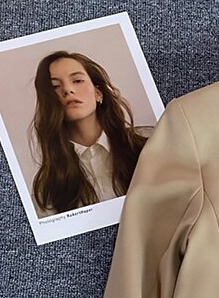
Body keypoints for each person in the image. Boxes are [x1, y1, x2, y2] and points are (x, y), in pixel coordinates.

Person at [30, 50, 153, 216]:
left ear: (98, 93)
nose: (68, 90)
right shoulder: (47, 188)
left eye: (77, 80)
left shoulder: (149, 143)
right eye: (55, 87)